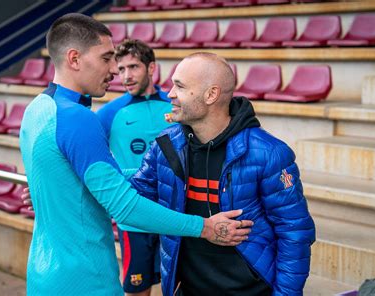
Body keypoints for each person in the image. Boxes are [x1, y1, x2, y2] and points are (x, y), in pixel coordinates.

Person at [19, 14, 251, 296]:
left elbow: (77, 177)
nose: (115, 71)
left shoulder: (37, 109)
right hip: (84, 280)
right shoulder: (78, 118)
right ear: (74, 59)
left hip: (44, 275)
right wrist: (204, 227)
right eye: (106, 58)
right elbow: (124, 206)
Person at [129, 52, 316, 296]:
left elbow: (295, 233)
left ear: (211, 95)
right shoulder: (164, 146)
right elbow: (133, 198)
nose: (170, 94)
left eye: (180, 86)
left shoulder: (268, 153)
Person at [96, 39, 170, 296]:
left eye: (134, 67)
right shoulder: (110, 113)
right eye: (122, 69)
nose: (126, 76)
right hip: (134, 216)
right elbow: (85, 154)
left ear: (151, 68)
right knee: (138, 289)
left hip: (174, 213)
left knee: (182, 285)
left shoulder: (175, 107)